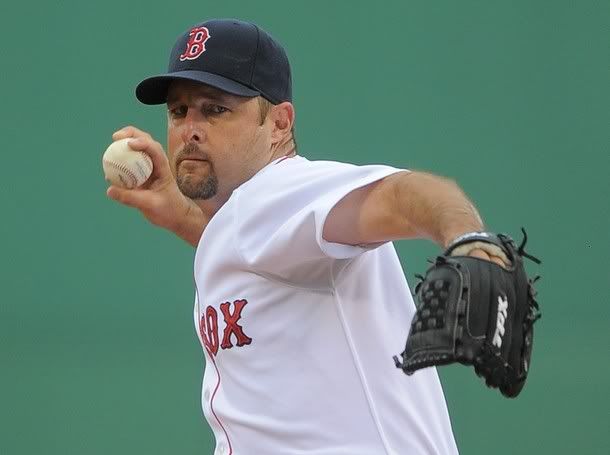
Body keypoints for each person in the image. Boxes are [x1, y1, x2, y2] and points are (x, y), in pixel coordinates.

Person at [107, 18, 507, 455]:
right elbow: (261, 255)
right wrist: (182, 215)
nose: (190, 128)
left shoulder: (282, 191)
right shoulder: (252, 223)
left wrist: (472, 242)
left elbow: (405, 194)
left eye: (216, 108)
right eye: (179, 110)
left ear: (279, 123)